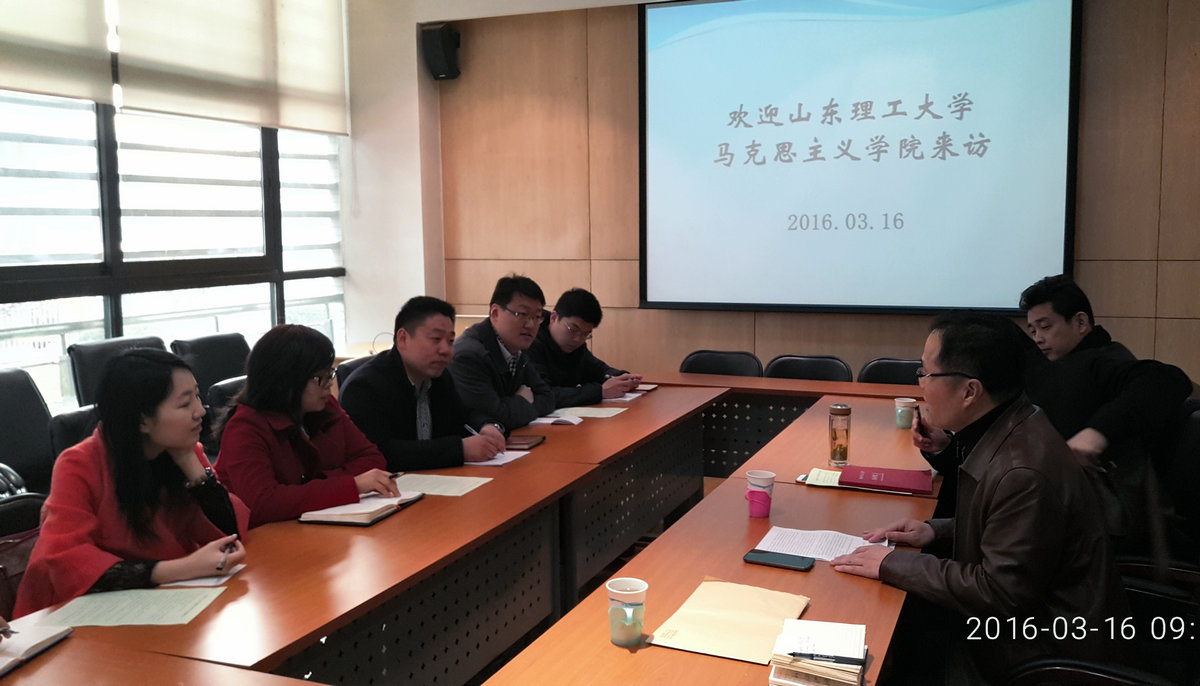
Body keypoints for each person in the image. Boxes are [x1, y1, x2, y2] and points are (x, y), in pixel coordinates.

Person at [832, 313, 1126, 683]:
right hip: (1023, 625)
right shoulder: (1017, 420)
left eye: (926, 373)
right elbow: (1009, 530)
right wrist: (935, 531)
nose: (920, 385)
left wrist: (893, 563)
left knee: (887, 632)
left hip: (1037, 649)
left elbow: (997, 590)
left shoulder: (1022, 471)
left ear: (970, 391)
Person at [921, 275, 1192, 547]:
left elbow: (1169, 379)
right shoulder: (1053, 369)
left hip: (1099, 525)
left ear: (1081, 323)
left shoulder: (1103, 360)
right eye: (1033, 330)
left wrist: (1096, 434)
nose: (1039, 338)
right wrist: (946, 448)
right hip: (1050, 513)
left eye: (1045, 327)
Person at [14, 349, 250, 617]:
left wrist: (189, 462)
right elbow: (67, 563)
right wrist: (183, 568)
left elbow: (230, 532)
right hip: (70, 615)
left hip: (159, 604)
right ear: (142, 420)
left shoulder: (182, 449)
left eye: (197, 396)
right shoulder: (78, 464)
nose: (200, 411)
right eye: (185, 404)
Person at [215, 325, 398, 527]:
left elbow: (372, 458)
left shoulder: (325, 406)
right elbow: (262, 503)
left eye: (330, 374)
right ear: (286, 379)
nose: (329, 384)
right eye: (320, 378)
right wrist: (350, 485)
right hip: (264, 537)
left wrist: (314, 487)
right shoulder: (245, 428)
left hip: (318, 527)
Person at [340, 296, 507, 470]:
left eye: (450, 341)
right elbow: (381, 452)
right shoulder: (364, 387)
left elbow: (462, 416)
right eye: (436, 339)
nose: (446, 350)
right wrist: (459, 449)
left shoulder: (439, 377)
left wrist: (487, 426)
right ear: (403, 339)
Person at [449, 275, 555, 429]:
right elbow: (495, 418)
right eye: (522, 314)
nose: (531, 325)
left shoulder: (517, 348)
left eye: (537, 317)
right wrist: (523, 401)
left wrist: (511, 407)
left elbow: (548, 398)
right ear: (495, 313)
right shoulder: (468, 355)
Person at [527, 287, 642, 408]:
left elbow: (597, 369)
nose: (578, 339)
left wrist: (622, 378)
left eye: (586, 334)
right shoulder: (530, 341)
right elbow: (543, 394)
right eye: (573, 329)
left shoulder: (575, 345)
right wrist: (599, 392)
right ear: (554, 317)